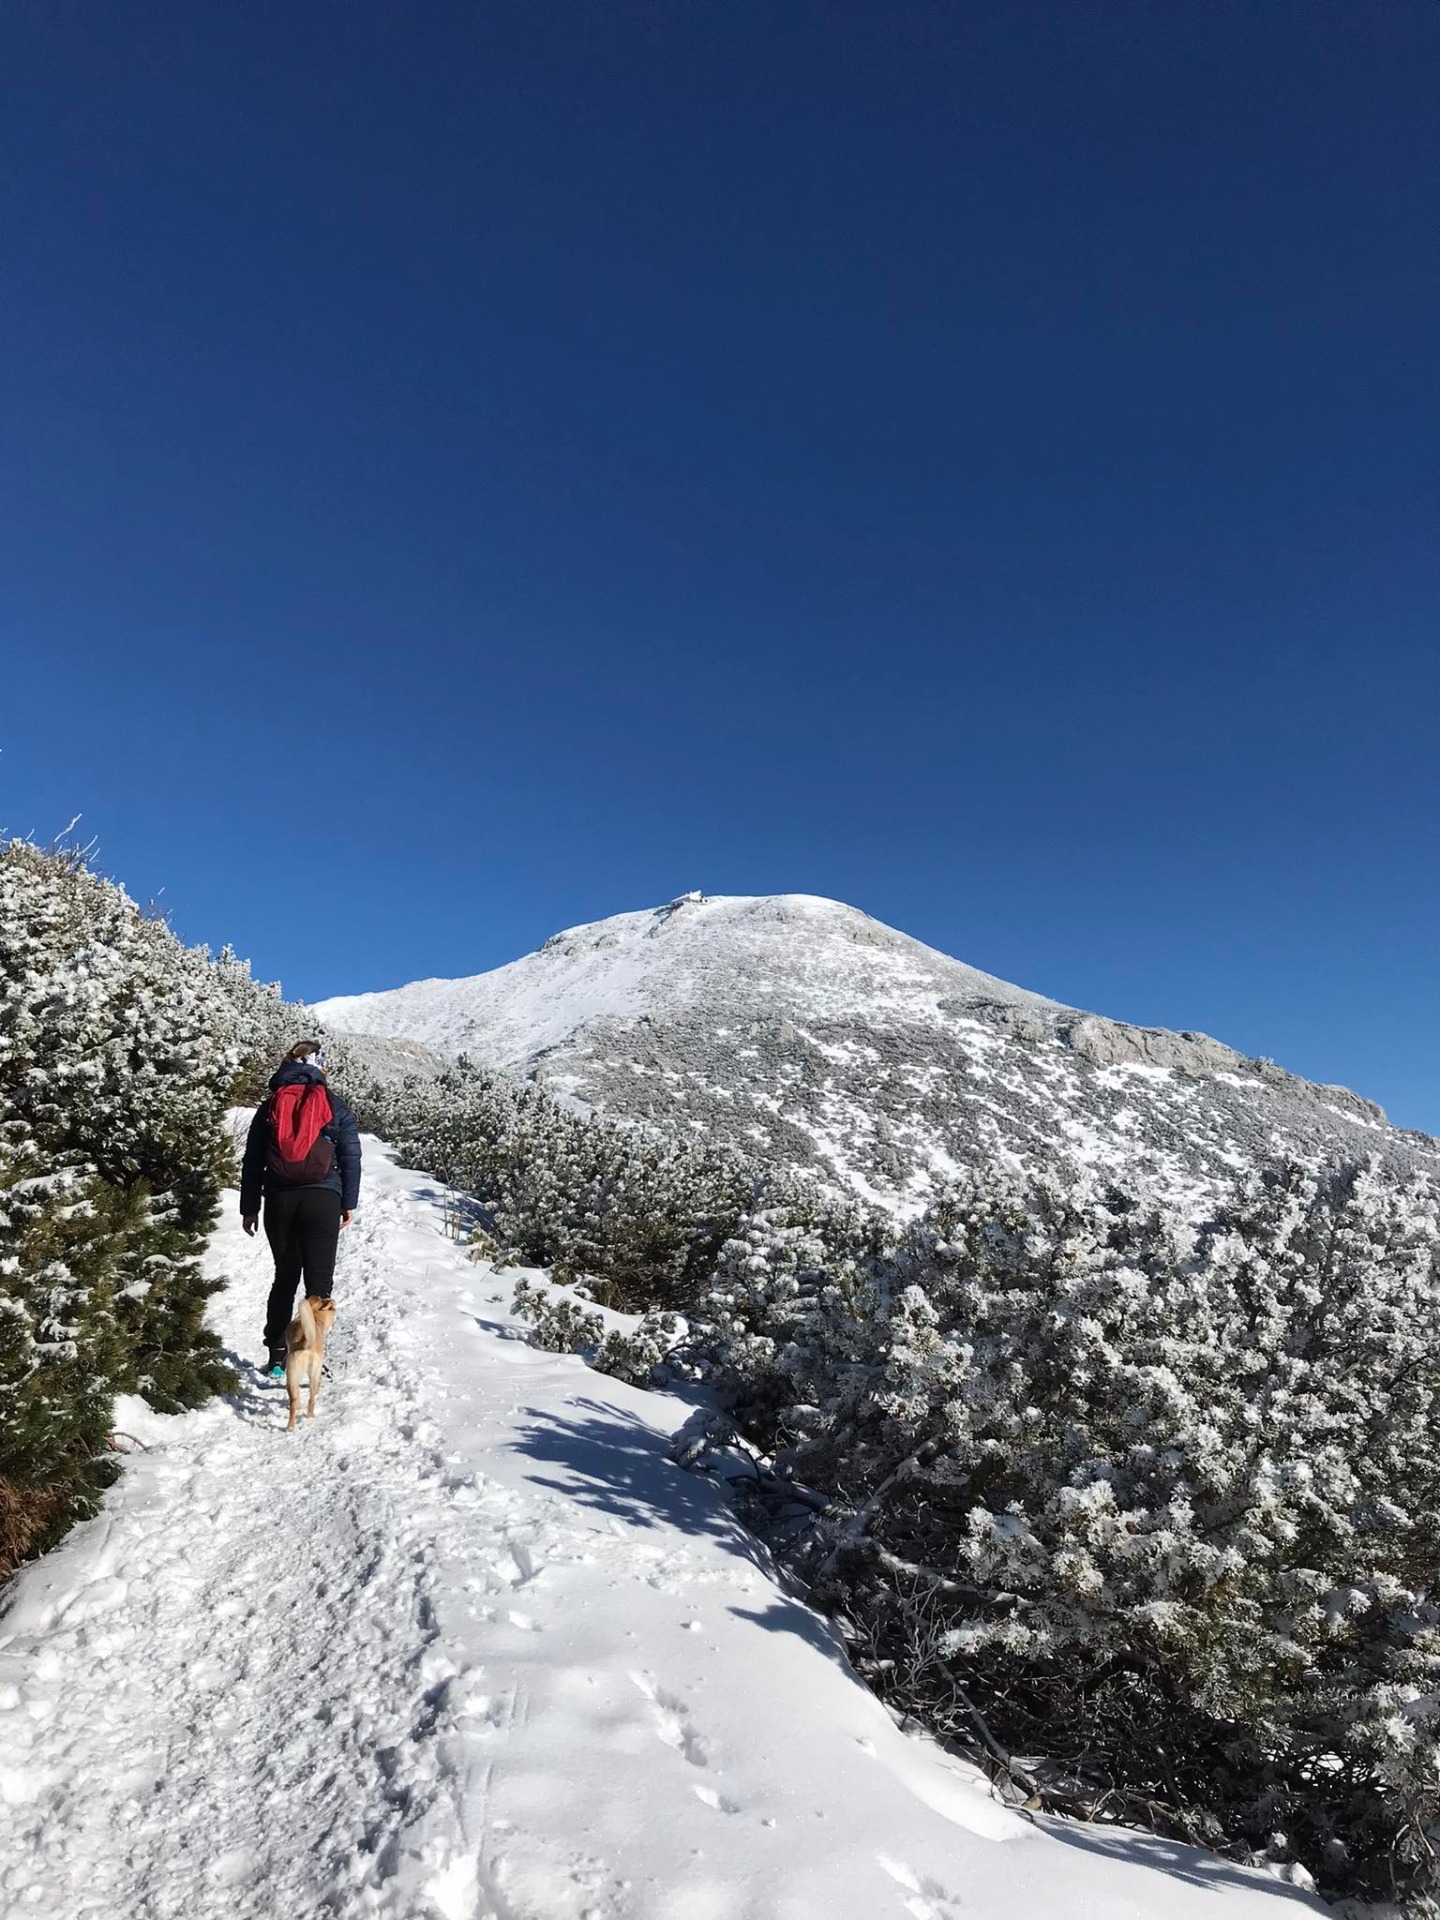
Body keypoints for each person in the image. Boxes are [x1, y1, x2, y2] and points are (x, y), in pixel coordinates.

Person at [240, 1041, 361, 1377]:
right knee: (318, 1286)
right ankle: (312, 1356)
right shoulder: (334, 1105)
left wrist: (250, 1207)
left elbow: (252, 1160)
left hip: (280, 1200)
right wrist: (347, 1202)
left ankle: (278, 1357)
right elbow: (351, 1156)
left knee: (285, 1278)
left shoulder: (269, 1106)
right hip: (323, 1199)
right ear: (320, 1069)